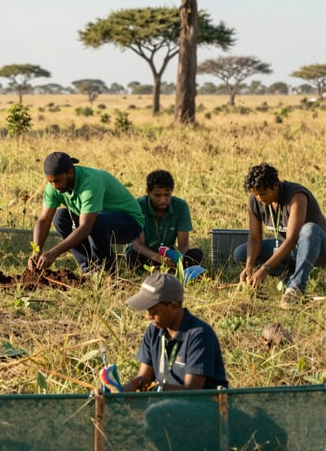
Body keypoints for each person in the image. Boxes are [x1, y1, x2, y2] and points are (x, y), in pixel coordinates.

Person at [28, 152, 143, 274]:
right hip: (98, 220)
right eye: (50, 181)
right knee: (60, 217)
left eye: (58, 180)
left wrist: (54, 253)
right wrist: (36, 251)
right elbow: (44, 220)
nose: (55, 186)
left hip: (129, 224)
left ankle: (106, 270)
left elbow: (85, 227)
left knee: (98, 221)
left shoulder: (90, 183)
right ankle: (89, 269)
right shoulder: (53, 187)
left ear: (70, 172)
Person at [234, 162, 326, 309]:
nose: (259, 198)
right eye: (255, 194)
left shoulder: (297, 196)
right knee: (241, 253)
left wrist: (265, 269)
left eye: (263, 193)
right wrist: (249, 266)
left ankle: (295, 289)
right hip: (292, 250)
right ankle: (289, 275)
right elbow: (255, 238)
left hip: (317, 248)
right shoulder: (255, 201)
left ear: (275, 185)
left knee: (309, 229)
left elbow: (291, 239)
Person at [122, 272, 227, 392]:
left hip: (200, 407)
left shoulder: (199, 335)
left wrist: (154, 388)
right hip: (163, 403)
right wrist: (114, 391)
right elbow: (143, 379)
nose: (148, 316)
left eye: (154, 311)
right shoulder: (154, 331)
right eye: (147, 310)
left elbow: (193, 392)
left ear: (174, 306)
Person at [125, 169, 204, 270]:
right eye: (157, 195)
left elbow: (183, 246)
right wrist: (157, 257)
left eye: (167, 195)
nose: (163, 200)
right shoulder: (138, 206)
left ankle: (172, 270)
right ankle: (164, 271)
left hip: (169, 257)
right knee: (132, 256)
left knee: (196, 254)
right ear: (148, 192)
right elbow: (137, 245)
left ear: (172, 192)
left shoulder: (181, 206)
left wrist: (177, 258)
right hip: (145, 255)